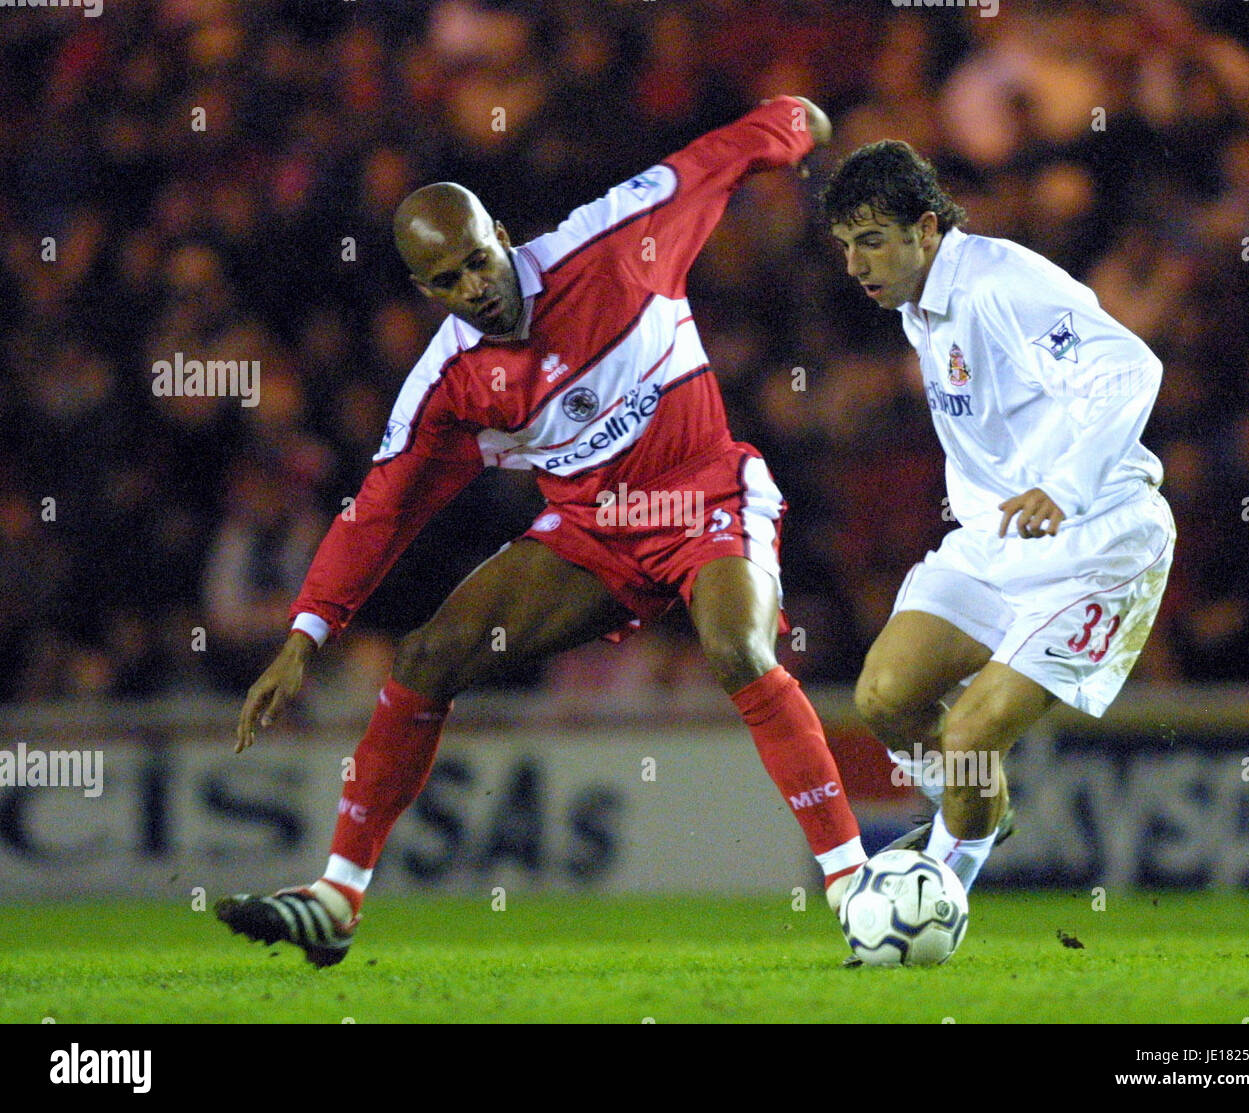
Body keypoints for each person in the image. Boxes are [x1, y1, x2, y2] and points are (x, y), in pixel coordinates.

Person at [216, 96, 868, 967]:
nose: (472, 287)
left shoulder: (617, 242)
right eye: (446, 281)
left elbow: (716, 158)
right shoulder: (448, 385)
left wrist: (797, 123)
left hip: (703, 496)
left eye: (478, 261)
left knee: (738, 647)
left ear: (501, 233)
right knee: (424, 659)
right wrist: (306, 634)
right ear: (425, 291)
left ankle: (852, 882)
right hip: (592, 537)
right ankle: (337, 895)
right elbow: (378, 510)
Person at [823, 140, 1175, 891]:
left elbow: (1131, 368)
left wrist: (1067, 485)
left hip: (1099, 539)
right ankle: (977, 804)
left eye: (872, 242)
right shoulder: (920, 301)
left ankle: (940, 889)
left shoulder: (1000, 286)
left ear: (925, 229)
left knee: (972, 730)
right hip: (997, 541)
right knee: (884, 696)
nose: (855, 266)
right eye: (846, 246)